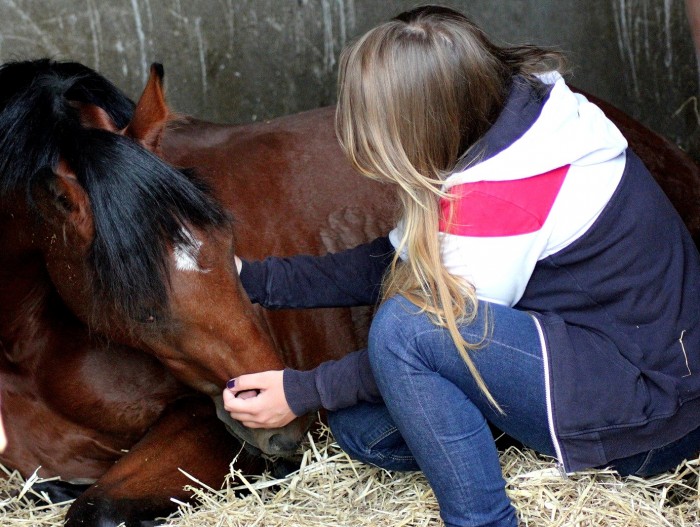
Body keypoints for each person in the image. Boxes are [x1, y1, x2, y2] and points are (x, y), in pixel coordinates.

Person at [222, 5, 700, 526]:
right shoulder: (510, 123)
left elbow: (433, 334)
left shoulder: (505, 194)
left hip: (649, 417)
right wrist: (256, 280)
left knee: (404, 331)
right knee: (363, 428)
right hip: (599, 361)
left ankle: (485, 520)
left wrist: (301, 391)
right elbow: (394, 261)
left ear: (426, 120)